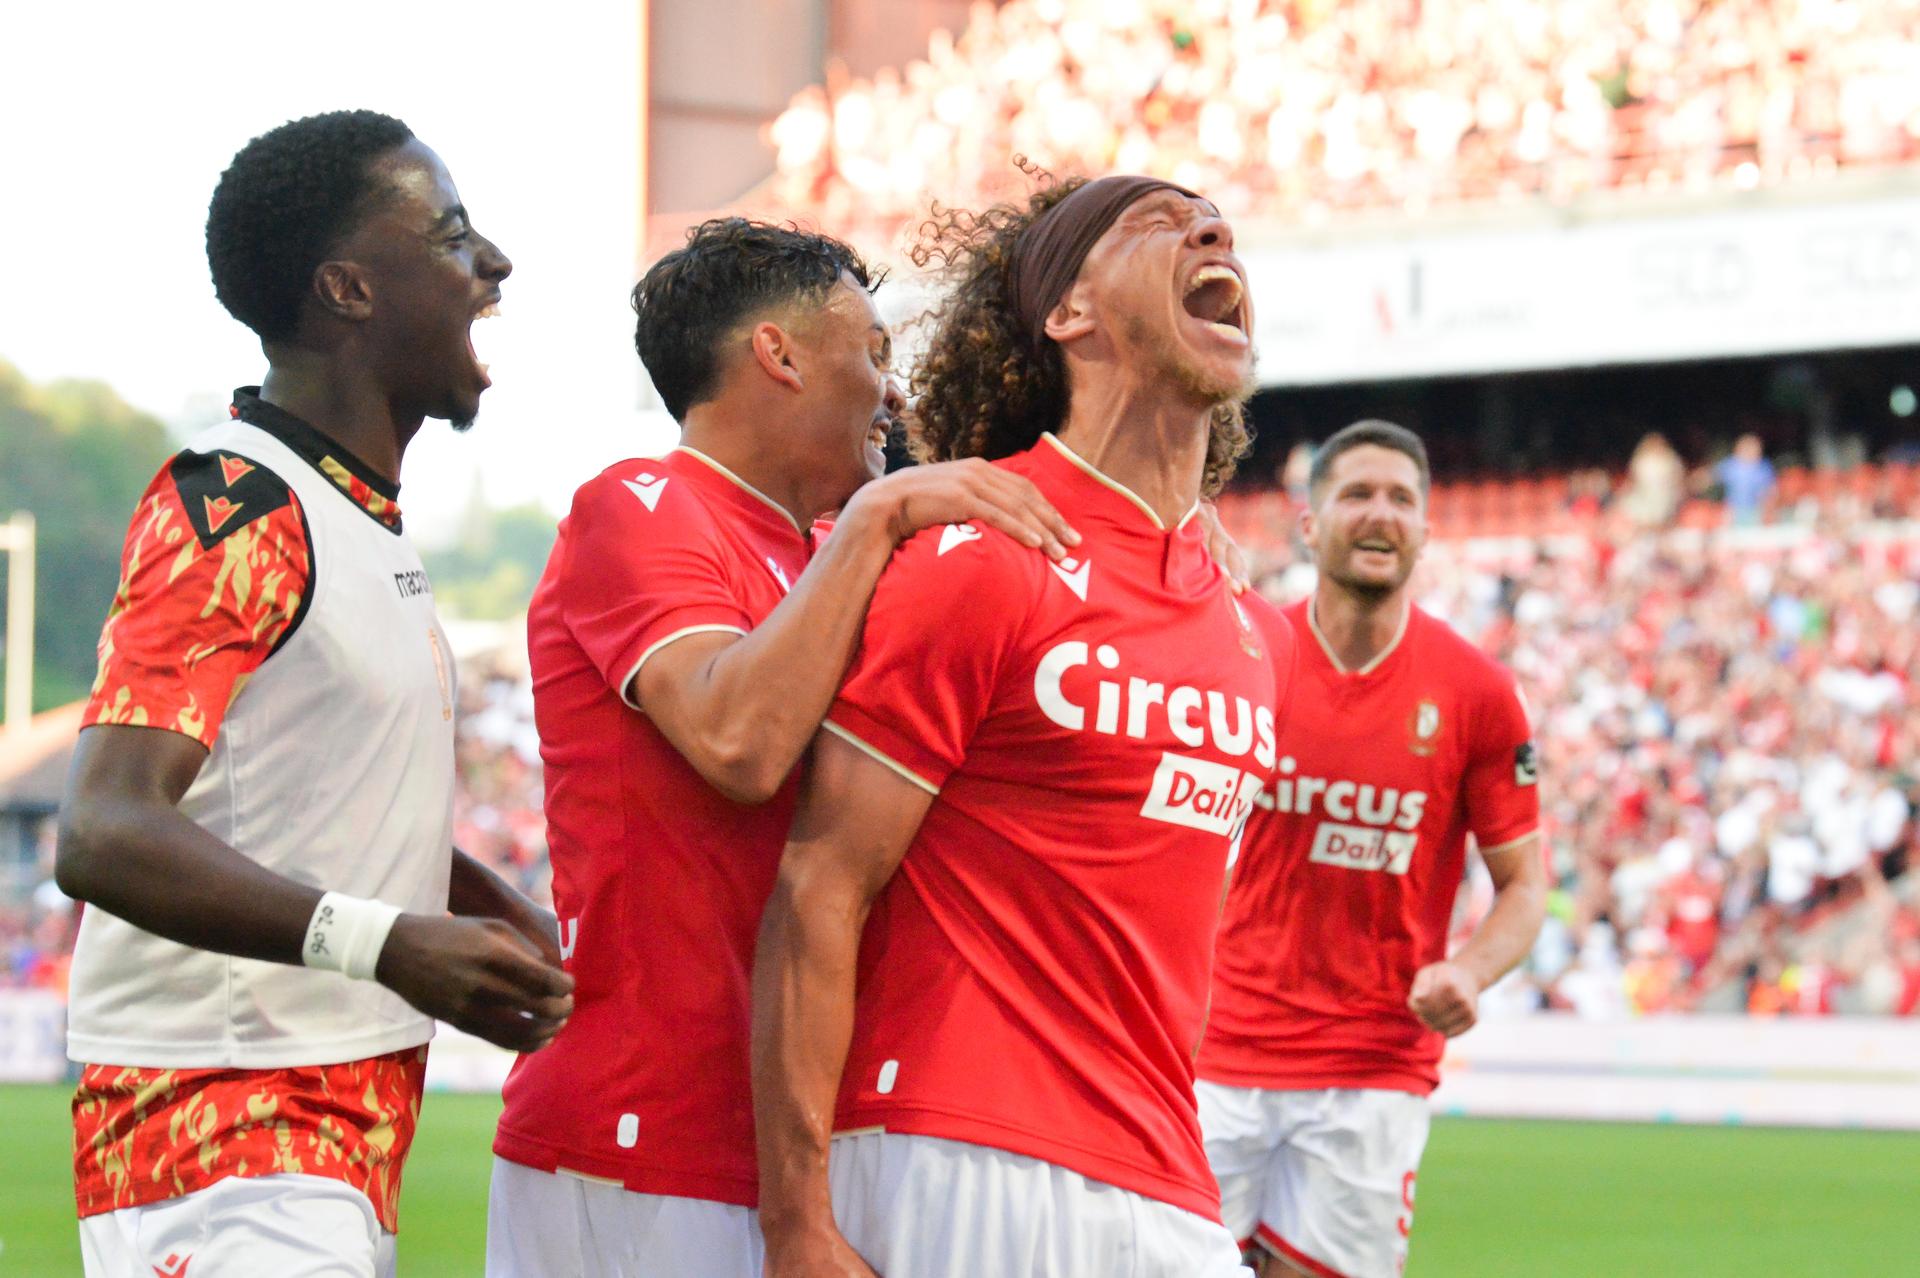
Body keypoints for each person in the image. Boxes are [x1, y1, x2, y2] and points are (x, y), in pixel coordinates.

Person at [485, 218, 1079, 1277]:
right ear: (780, 353)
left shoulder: (820, 549)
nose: (891, 394)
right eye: (875, 350)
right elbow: (739, 739)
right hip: (645, 1142)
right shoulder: (638, 506)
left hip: (789, 1151)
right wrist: (878, 519)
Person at [55, 111, 574, 1278]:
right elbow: (103, 829)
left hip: (320, 1137)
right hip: (222, 1133)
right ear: (348, 290)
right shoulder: (233, 504)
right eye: (449, 235)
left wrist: (490, 908)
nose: (491, 262)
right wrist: (389, 945)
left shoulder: (348, 520)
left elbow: (310, 803)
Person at [752, 174, 1283, 1278]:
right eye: (1157, 221)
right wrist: (796, 1220)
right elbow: (821, 884)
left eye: (1215, 219)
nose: (1213, 229)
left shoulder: (1243, 625)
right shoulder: (984, 549)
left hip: (1168, 1178)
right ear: (1067, 314)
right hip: (961, 1157)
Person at [1196, 420, 1547, 1278]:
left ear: (1426, 529)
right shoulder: (1245, 655)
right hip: (1215, 1056)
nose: (1379, 513)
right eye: (1356, 494)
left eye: (1401, 498)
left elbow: (1524, 885)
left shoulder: (1478, 693)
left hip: (1372, 1074)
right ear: (1310, 524)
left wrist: (1468, 971)